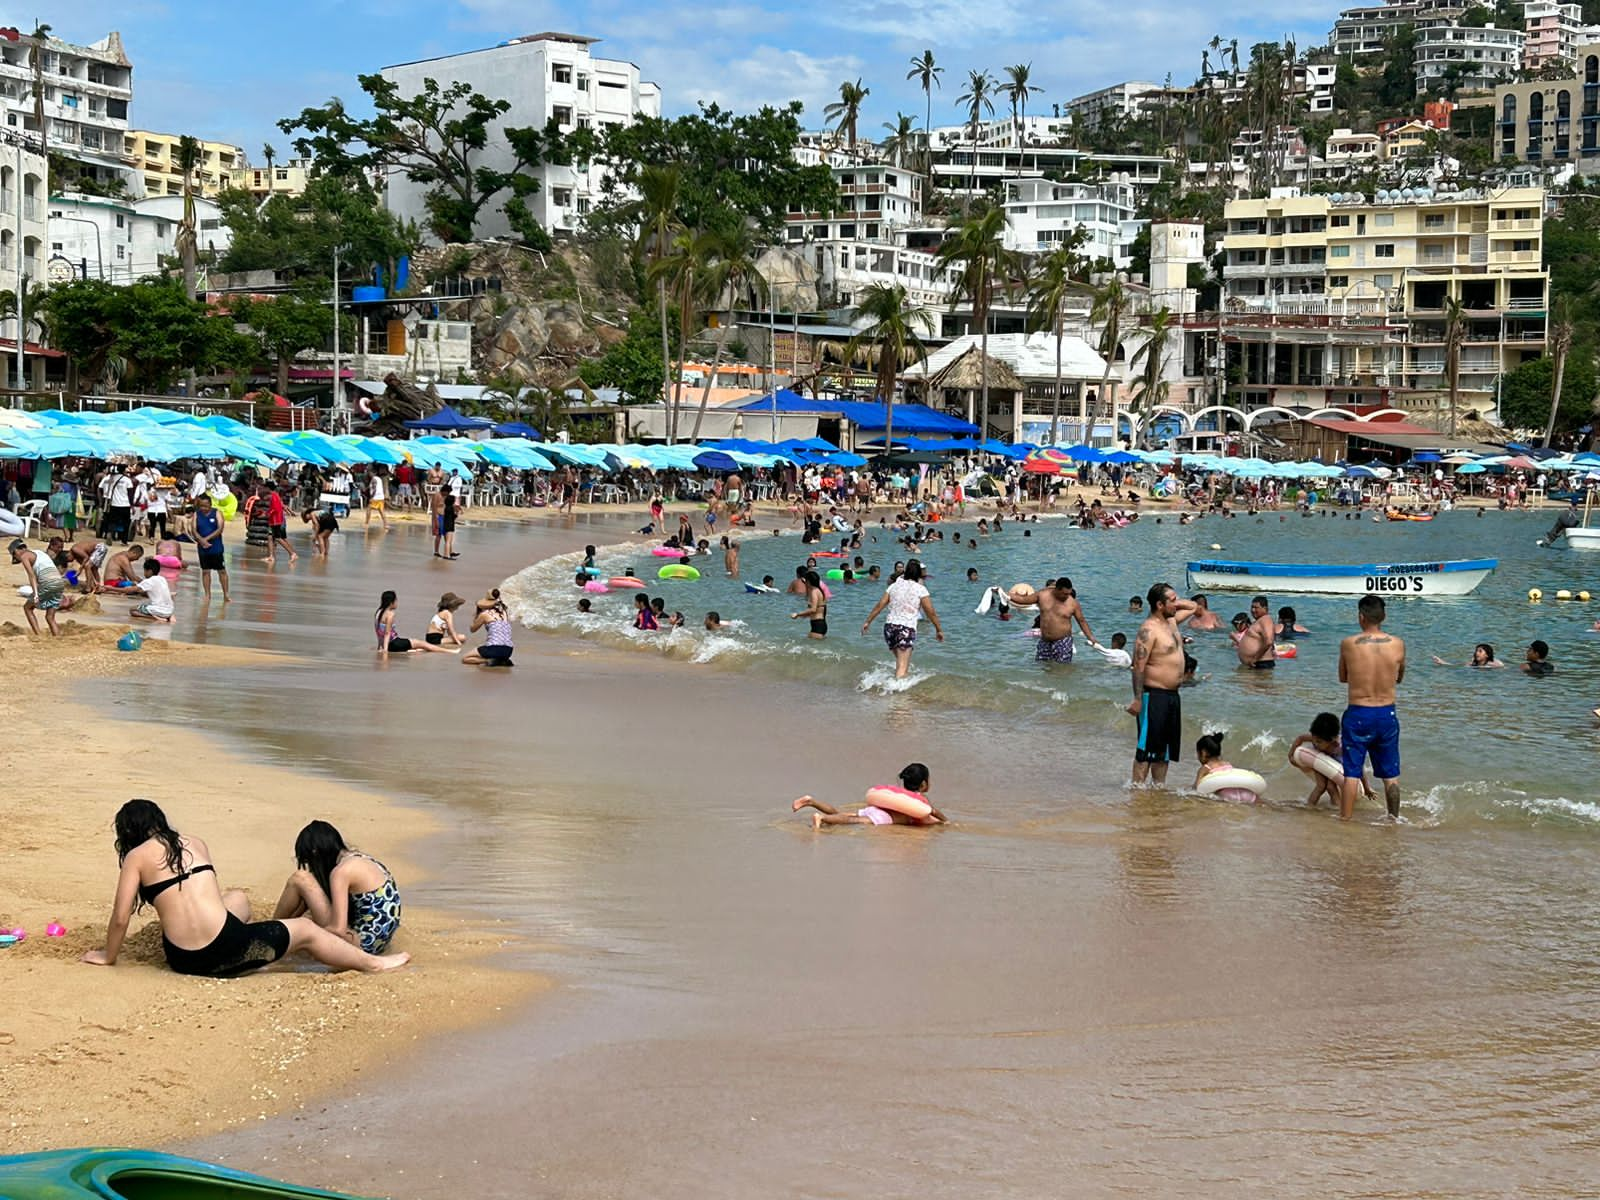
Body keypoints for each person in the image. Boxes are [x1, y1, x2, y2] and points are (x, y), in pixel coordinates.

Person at [82, 799, 408, 975]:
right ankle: (375, 964)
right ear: (160, 821)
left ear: (128, 834)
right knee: (305, 929)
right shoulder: (195, 843)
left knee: (236, 899)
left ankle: (254, 943)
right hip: (227, 951)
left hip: (184, 960)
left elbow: (121, 917)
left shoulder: (135, 858)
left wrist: (108, 955)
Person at [272, 821, 402, 954]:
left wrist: (306, 933)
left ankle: (271, 931)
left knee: (300, 878)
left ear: (315, 853)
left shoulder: (340, 873)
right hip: (379, 940)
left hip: (361, 946)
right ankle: (280, 927)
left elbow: (338, 930)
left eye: (308, 861)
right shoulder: (359, 858)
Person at [1337, 594, 1406, 820]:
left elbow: (1343, 677)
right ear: (1383, 616)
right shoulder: (1398, 644)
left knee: (1352, 773)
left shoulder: (1348, 644)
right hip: (1386, 713)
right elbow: (1399, 677)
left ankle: (1345, 822)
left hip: (1358, 712)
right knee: (1391, 775)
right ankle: (1394, 820)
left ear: (1361, 616)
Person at [1128, 582, 1199, 784]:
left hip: (1172, 695)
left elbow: (1193, 607)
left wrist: (1174, 602)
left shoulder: (1172, 623)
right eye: (1173, 600)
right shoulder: (1148, 631)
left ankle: (1158, 791)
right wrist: (1138, 698)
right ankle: (1137, 791)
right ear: (1160, 605)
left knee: (1164, 752)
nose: (1177, 604)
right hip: (1153, 696)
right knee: (1146, 750)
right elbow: (1138, 666)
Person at [791, 762, 947, 829]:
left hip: (876, 809)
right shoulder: (919, 800)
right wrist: (945, 821)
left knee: (841, 815)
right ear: (924, 785)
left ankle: (811, 801)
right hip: (885, 818)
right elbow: (931, 812)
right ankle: (822, 818)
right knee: (854, 820)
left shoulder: (900, 795)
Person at [861, 558, 943, 678]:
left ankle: (898, 687)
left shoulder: (893, 586)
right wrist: (938, 629)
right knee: (902, 667)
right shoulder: (920, 589)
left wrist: (868, 622)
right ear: (919, 574)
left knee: (901, 663)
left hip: (889, 628)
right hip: (905, 629)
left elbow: (880, 605)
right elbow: (931, 612)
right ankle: (897, 693)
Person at [1287, 711, 1375, 809]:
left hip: (1338, 764)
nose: (1315, 743)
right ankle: (1309, 807)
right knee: (1321, 786)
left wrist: (1367, 788)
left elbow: (1359, 766)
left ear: (1333, 740)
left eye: (1319, 742)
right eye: (1314, 739)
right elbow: (1300, 738)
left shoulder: (1342, 746)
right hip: (1321, 759)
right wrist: (1291, 754)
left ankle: (1336, 809)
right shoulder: (1317, 736)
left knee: (1330, 786)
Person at [1028, 576, 1096, 665]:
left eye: (1069, 593)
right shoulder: (1044, 596)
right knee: (1041, 666)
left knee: (1062, 669)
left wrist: (1091, 638)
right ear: (1057, 590)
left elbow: (1082, 621)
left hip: (1063, 641)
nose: (1067, 596)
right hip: (1045, 640)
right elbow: (1023, 600)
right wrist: (1007, 597)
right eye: (1065, 594)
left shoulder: (1073, 603)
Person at [9, 537, 66, 636]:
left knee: (28, 608)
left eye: (14, 555)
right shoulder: (40, 553)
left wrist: (35, 594)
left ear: (17, 550)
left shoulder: (24, 556)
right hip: (59, 583)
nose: (17, 558)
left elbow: (32, 576)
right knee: (50, 617)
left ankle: (38, 635)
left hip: (48, 582)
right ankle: (58, 639)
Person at [375, 590, 456, 655]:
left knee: (418, 646)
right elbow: (387, 633)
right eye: (396, 600)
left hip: (389, 644)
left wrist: (380, 646)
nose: (397, 602)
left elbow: (378, 631)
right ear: (391, 602)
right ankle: (449, 651)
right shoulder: (390, 614)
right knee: (424, 644)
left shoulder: (378, 612)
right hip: (394, 644)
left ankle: (411, 651)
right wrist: (385, 651)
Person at [1194, 733, 1258, 803]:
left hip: (1228, 796)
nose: (1197, 757)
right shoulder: (1227, 764)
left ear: (1203, 752)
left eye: (1197, 753)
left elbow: (1197, 789)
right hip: (1247, 794)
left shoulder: (1205, 768)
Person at [192, 493, 230, 604]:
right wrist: (201, 540)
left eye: (206, 506)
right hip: (202, 548)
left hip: (216, 547)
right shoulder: (196, 514)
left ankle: (226, 594)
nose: (204, 509)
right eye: (201, 506)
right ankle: (207, 594)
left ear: (210, 505)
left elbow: (220, 529)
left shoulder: (217, 513)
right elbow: (194, 529)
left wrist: (206, 539)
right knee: (205, 571)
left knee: (221, 571)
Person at [463, 595, 515, 666]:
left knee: (466, 658)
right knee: (491, 647)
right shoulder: (504, 613)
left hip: (494, 648)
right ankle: (500, 660)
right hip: (508, 650)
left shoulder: (484, 614)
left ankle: (487, 661)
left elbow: (472, 629)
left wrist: (477, 616)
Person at [1233, 595, 1277, 669]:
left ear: (1265, 608)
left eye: (1256, 607)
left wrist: (1255, 658)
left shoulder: (1265, 619)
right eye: (1252, 607)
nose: (1253, 610)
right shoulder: (1259, 621)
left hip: (1261, 664)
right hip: (1257, 664)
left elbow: (1269, 641)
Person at [129, 557, 175, 624]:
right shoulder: (162, 579)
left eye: (145, 571)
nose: (144, 573)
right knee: (148, 605)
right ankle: (168, 616)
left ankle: (155, 618)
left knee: (132, 610)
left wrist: (112, 588)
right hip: (170, 610)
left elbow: (130, 590)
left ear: (149, 571)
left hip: (159, 610)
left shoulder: (149, 581)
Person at [791, 569, 829, 639]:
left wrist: (798, 614)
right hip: (821, 624)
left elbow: (813, 609)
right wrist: (802, 616)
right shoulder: (819, 591)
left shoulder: (814, 592)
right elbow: (820, 609)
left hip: (817, 625)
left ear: (808, 581)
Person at [266, 483, 296, 564]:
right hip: (273, 520)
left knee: (278, 538)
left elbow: (275, 508)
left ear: (268, 488)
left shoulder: (273, 496)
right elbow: (280, 506)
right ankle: (271, 556)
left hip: (275, 520)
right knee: (270, 537)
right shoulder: (274, 495)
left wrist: (267, 513)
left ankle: (292, 553)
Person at [1432, 643, 1505, 668]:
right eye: (1476, 651)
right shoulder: (1472, 663)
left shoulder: (1492, 664)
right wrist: (1442, 662)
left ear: (1487, 655)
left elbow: (1503, 668)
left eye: (1480, 651)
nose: (1477, 653)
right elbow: (1457, 666)